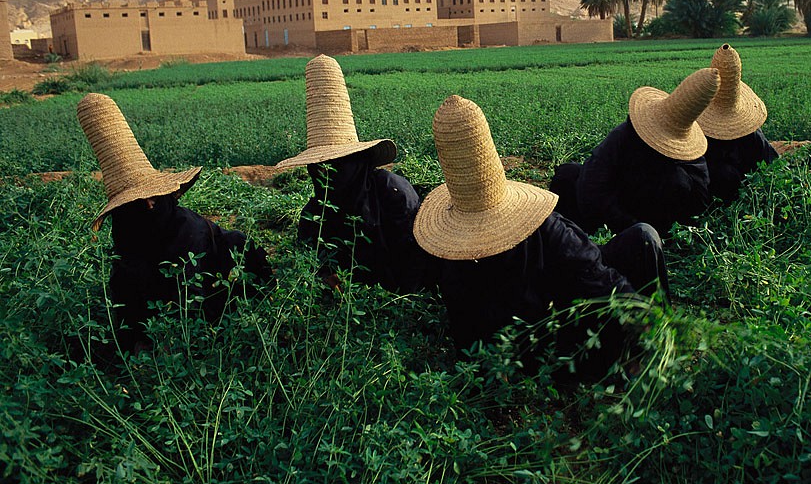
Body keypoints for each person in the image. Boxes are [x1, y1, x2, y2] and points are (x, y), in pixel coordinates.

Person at [413, 95, 665, 367]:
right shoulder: (458, 266)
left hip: (554, 333)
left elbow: (596, 276)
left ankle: (641, 347)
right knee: (640, 238)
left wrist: (641, 317)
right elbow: (472, 344)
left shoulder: (545, 230)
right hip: (552, 349)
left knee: (642, 240)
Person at [77, 93, 271, 354]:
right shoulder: (126, 239)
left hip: (215, 287)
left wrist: (177, 342)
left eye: (153, 199)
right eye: (137, 203)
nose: (148, 205)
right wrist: (139, 341)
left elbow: (193, 296)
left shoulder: (188, 231)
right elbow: (126, 303)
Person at [274, 55, 429, 293]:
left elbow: (417, 264)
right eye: (320, 165)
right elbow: (313, 268)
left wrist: (395, 305)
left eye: (338, 163)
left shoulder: (393, 194)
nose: (327, 172)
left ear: (357, 160)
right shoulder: (315, 215)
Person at [551, 68, 720, 236]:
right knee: (568, 174)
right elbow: (591, 185)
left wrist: (640, 231)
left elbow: (697, 208)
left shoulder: (685, 169)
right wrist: (622, 224)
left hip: (651, 225)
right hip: (610, 210)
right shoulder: (626, 134)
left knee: (675, 183)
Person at [697, 44, 778, 203]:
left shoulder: (751, 135)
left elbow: (774, 166)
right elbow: (773, 165)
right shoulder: (751, 136)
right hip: (717, 198)